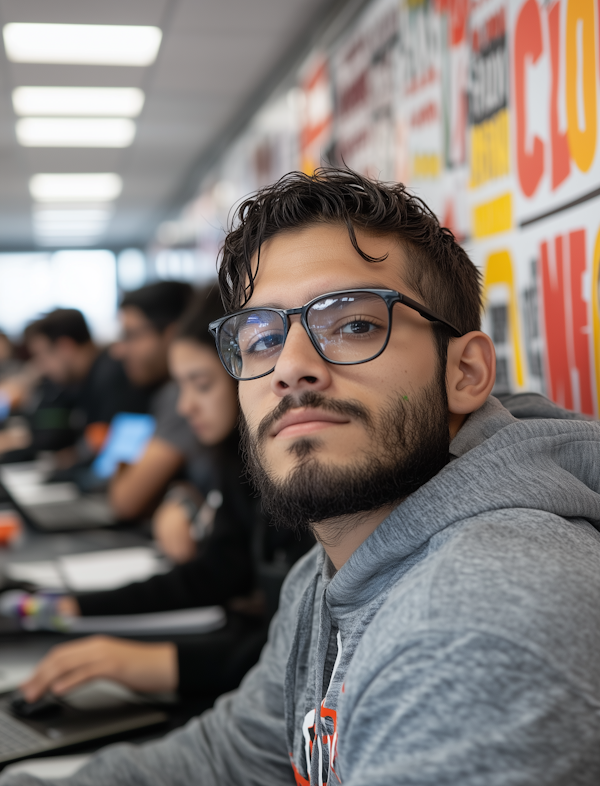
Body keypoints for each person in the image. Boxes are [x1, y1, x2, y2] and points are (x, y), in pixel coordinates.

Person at [3, 168, 600, 786]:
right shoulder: (326, 572)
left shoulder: (477, 623)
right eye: (260, 337)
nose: (291, 367)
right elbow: (227, 758)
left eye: (355, 325)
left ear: (466, 373)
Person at [14, 289, 311, 701]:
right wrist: (76, 607)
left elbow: (298, 656)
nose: (186, 408)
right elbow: (215, 572)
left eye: (201, 385)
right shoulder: (234, 465)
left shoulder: (302, 483)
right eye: (181, 387)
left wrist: (142, 662)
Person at [109, 281, 199, 519]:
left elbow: (125, 500)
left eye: (132, 335)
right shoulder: (157, 391)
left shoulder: (180, 396)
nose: (120, 350)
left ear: (172, 333)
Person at [22, 309, 148, 462]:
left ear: (65, 347)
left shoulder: (110, 376)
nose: (42, 368)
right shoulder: (86, 378)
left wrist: (69, 459)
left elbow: (103, 441)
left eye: (43, 356)